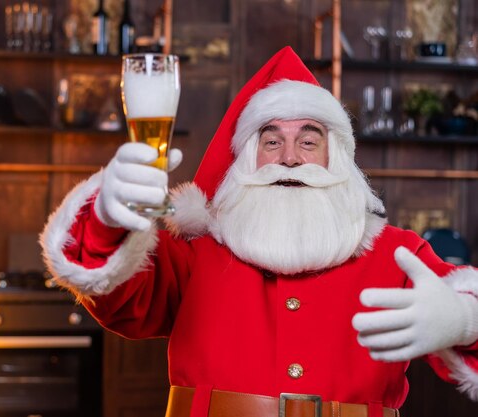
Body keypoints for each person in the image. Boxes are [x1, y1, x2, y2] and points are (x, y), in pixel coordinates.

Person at [40, 47, 478, 417]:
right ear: (246, 161)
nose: (290, 158)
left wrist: (463, 320)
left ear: (337, 160)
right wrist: (107, 217)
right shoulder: (192, 251)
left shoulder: (398, 252)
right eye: (271, 141)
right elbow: (117, 298)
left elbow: (462, 309)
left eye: (309, 141)